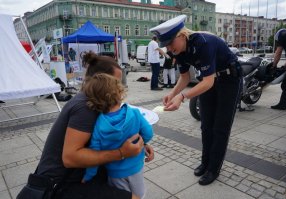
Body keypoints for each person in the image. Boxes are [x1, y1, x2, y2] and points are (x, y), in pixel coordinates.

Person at [35, 52, 154, 199]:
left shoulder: (97, 100)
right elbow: (70, 158)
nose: (119, 87)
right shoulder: (85, 107)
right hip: (59, 185)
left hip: (79, 174)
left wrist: (139, 142)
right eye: (116, 81)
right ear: (102, 80)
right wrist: (122, 153)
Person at [150, 15, 242, 185]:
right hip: (210, 80)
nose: (169, 48)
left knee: (220, 128)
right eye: (166, 45)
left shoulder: (203, 43)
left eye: (171, 43)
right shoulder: (179, 50)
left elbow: (208, 81)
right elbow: (185, 77)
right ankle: (205, 162)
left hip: (229, 80)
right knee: (206, 126)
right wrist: (173, 93)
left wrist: (182, 96)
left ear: (182, 35)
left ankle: (213, 168)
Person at [82, 73, 153, 198]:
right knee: (140, 195)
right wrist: (142, 144)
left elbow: (94, 153)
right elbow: (148, 133)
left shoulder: (98, 124)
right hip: (136, 167)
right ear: (119, 93)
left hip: (114, 173)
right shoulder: (135, 113)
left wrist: (88, 176)